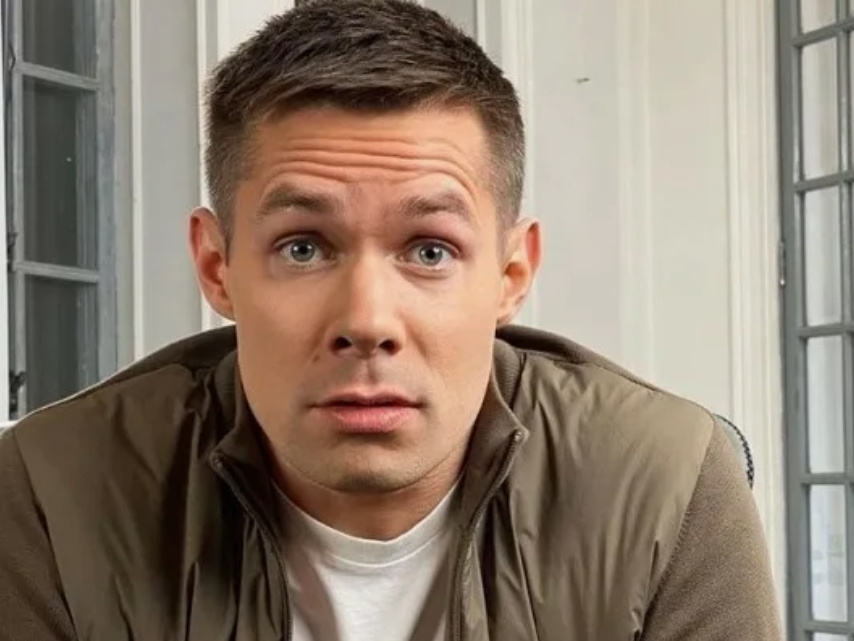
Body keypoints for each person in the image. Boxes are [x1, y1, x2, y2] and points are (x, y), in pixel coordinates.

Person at [0, 1, 783, 639]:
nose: (367, 320)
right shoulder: (52, 494)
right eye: (303, 247)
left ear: (512, 274)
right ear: (216, 266)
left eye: (430, 250)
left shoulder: (667, 485)